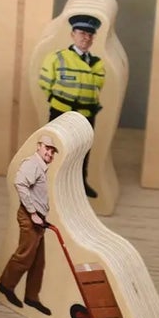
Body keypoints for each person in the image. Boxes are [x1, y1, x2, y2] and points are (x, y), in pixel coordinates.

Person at [40, 13, 105, 197]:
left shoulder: (97, 63)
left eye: (90, 35)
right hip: (62, 111)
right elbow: (45, 83)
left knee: (83, 149)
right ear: (73, 35)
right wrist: (59, 101)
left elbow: (98, 86)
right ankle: (49, 184)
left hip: (87, 113)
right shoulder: (57, 58)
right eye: (82, 33)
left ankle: (80, 184)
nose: (86, 38)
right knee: (56, 148)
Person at [0, 134, 57, 316]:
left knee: (38, 262)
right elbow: (20, 183)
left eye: (52, 150)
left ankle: (32, 297)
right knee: (24, 255)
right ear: (39, 146)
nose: (50, 153)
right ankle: (5, 285)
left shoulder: (41, 167)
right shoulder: (32, 164)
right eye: (47, 148)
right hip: (30, 217)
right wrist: (32, 213)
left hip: (38, 218)